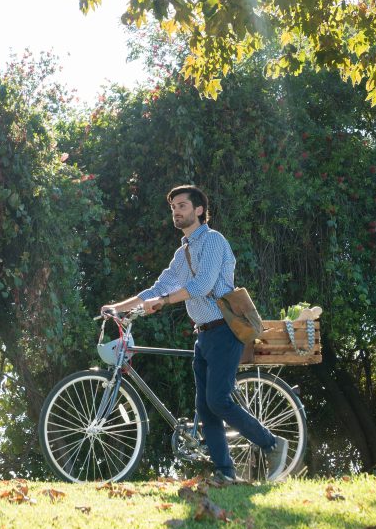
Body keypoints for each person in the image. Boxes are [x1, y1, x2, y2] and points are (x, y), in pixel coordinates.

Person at [100, 184, 289, 483]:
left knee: (217, 400)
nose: (176, 211)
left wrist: (163, 302)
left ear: (199, 209)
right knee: (205, 408)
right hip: (203, 336)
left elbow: (202, 285)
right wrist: (119, 307)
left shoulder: (213, 241)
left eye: (182, 205)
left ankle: (272, 443)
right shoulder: (182, 252)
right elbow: (158, 287)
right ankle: (225, 473)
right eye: (173, 207)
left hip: (225, 330)